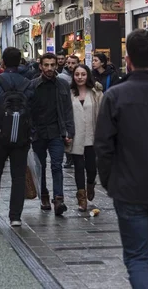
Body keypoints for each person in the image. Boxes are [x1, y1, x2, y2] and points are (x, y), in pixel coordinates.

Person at [95, 29, 148, 289]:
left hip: (128, 188)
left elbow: (103, 146)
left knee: (137, 257)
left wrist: (110, 182)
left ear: (128, 59)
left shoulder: (115, 96)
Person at [0, 47, 34, 226]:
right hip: (21, 136)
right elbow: (34, 111)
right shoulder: (28, 83)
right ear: (20, 62)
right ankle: (15, 216)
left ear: (3, 62)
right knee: (18, 175)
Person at [30, 53, 75, 216]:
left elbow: (68, 110)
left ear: (57, 66)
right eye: (46, 65)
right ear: (41, 66)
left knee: (57, 165)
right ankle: (44, 195)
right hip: (38, 133)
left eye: (52, 65)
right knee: (40, 167)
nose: (49, 68)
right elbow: (28, 111)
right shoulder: (33, 85)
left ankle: (58, 199)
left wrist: (70, 131)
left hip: (57, 131)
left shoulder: (63, 84)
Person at [66, 64, 102, 212]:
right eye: (77, 74)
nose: (80, 77)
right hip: (76, 136)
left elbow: (103, 114)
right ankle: (81, 198)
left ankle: (91, 183)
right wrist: (66, 133)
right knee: (79, 167)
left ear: (88, 76)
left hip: (92, 136)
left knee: (92, 168)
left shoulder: (96, 93)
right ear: (73, 76)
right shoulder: (69, 93)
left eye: (83, 74)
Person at [59, 55, 80, 169]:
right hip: (67, 106)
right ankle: (68, 157)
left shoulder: (82, 74)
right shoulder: (62, 77)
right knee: (68, 132)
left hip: (78, 106)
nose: (71, 65)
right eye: (69, 63)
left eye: (73, 63)